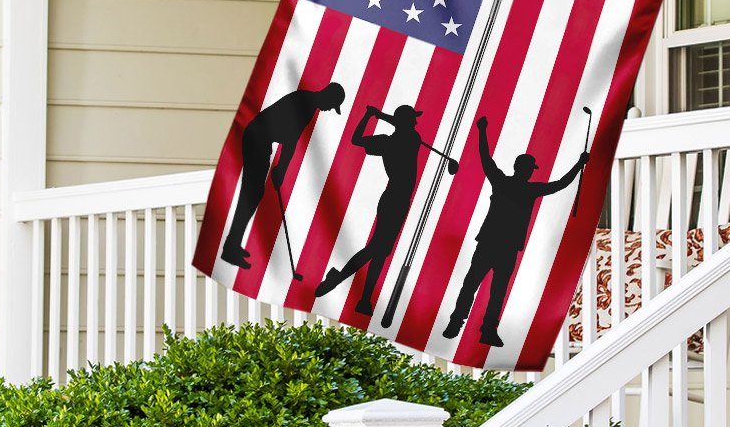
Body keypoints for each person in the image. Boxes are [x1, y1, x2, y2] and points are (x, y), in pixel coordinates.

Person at [443, 114, 589, 347]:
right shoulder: (529, 189)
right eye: (531, 168)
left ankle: (461, 325)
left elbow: (485, 158)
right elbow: (560, 183)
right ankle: (480, 328)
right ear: (528, 170)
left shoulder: (503, 181)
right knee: (491, 290)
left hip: (492, 243)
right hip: (503, 247)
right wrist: (579, 164)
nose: (531, 171)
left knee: (476, 285)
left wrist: (482, 130)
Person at [221, 82, 345, 269]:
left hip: (260, 141)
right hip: (256, 139)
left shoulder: (309, 104)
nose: (329, 110)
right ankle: (231, 247)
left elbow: (290, 141)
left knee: (254, 194)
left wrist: (281, 169)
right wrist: (281, 170)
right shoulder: (305, 103)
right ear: (328, 95)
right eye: (332, 105)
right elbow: (290, 141)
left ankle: (233, 243)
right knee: (251, 194)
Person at [315, 104, 423, 314]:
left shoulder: (392, 141)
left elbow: (359, 138)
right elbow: (357, 140)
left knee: (381, 252)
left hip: (396, 199)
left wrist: (373, 115)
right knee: (376, 249)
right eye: (413, 119)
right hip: (395, 200)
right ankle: (339, 279)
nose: (416, 122)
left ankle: (364, 300)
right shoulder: (408, 139)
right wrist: (375, 115)